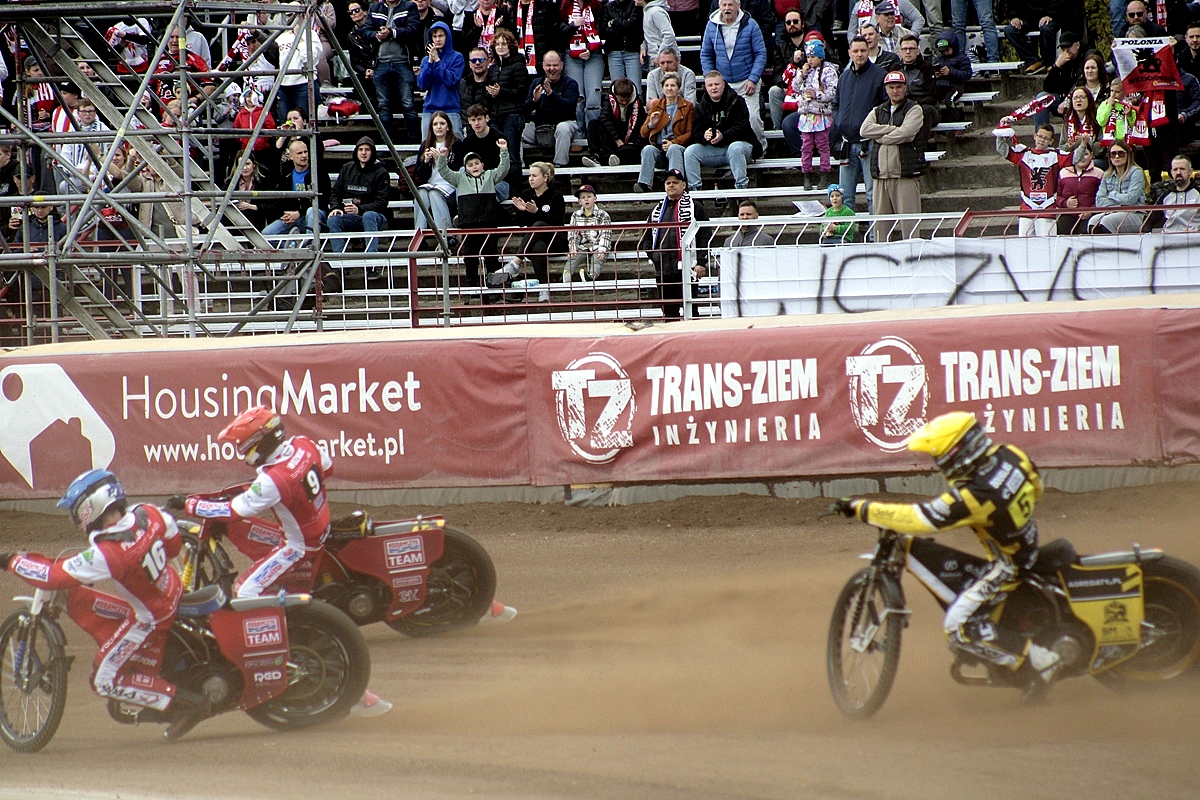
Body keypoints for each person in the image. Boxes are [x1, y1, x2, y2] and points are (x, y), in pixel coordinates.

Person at [830, 411, 1066, 699]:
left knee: (958, 628)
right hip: (1026, 542)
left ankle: (1040, 661)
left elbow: (922, 519)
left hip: (1009, 565)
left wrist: (861, 508)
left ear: (959, 454)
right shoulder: (1011, 455)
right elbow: (1037, 489)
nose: (938, 465)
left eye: (940, 458)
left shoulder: (976, 496)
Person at [181, 408, 392, 718]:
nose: (242, 452)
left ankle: (274, 647)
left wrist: (189, 504)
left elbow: (233, 512)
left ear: (262, 441)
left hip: (298, 546)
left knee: (245, 592)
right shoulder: (304, 444)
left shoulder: (273, 480)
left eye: (245, 445)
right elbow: (327, 468)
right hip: (319, 524)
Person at [0, 469, 213, 740]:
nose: (77, 518)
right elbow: (173, 546)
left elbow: (52, 577)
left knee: (102, 680)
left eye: (77, 511)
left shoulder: (108, 552)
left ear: (91, 507)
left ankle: (185, 703)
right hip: (172, 588)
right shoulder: (148, 512)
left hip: (151, 618)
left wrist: (11, 561)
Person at [859, 70, 925, 240]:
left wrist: (880, 137)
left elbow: (907, 133)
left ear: (905, 88)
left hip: (905, 175)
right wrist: (891, 129)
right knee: (880, 231)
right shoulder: (878, 110)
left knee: (910, 229)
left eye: (898, 87)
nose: (895, 91)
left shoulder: (914, 108)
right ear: (886, 89)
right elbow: (864, 130)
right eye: (891, 87)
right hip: (881, 176)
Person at [437, 144, 511, 288]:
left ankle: (494, 287)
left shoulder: (490, 176)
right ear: (465, 168)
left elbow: (504, 169)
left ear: (482, 165)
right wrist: (442, 157)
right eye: (470, 165)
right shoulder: (459, 178)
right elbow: (444, 171)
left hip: (489, 223)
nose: (474, 166)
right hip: (468, 224)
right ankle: (472, 287)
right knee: (470, 257)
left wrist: (503, 151)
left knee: (491, 256)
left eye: (477, 163)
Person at [700, 0, 768, 151]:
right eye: (724, 5)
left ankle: (760, 150)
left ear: (738, 6)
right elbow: (705, 54)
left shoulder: (751, 25)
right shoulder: (711, 25)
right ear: (719, 6)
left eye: (730, 5)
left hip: (747, 81)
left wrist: (753, 79)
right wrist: (710, 78)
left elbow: (760, 54)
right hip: (724, 84)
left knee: (753, 118)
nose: (727, 8)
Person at [644, 168, 710, 319]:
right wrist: (654, 256)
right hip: (663, 269)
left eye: (675, 182)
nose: (671, 185)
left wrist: (701, 262)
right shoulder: (657, 209)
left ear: (684, 185)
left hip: (688, 267)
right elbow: (647, 236)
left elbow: (704, 235)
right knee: (668, 312)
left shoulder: (696, 207)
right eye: (668, 183)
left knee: (691, 310)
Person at [832, 36, 886, 214]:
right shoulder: (844, 77)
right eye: (855, 51)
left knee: (873, 194)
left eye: (863, 50)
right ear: (849, 53)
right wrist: (839, 122)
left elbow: (885, 107)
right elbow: (835, 105)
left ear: (868, 51)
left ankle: (875, 231)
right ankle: (846, 232)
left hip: (869, 144)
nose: (859, 54)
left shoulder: (879, 75)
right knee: (844, 197)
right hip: (847, 144)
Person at [684, 71, 761, 191]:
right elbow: (695, 132)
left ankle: (741, 189)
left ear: (723, 84)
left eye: (717, 84)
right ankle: (695, 191)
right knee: (690, 151)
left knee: (735, 148)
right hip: (714, 150)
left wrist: (723, 136)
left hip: (740, 147)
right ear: (705, 87)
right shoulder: (700, 106)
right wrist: (704, 136)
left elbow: (742, 127)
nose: (714, 88)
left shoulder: (737, 101)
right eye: (710, 85)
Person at [994, 120, 1073, 237]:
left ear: (1051, 141)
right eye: (1040, 136)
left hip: (1047, 207)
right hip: (1027, 207)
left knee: (1047, 243)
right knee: (1024, 243)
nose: (1042, 140)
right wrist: (1001, 132)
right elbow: (1002, 150)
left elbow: (1075, 159)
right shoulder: (1024, 154)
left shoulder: (1055, 155)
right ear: (1034, 136)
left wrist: (1082, 145)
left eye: (1046, 138)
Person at [781, 38, 838, 192]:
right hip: (806, 115)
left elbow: (833, 93)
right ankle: (806, 174)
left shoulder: (829, 71)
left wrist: (817, 94)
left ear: (820, 56)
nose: (810, 60)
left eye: (813, 56)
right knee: (806, 147)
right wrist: (801, 74)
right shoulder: (806, 71)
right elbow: (794, 87)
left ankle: (824, 173)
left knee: (823, 146)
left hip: (821, 115)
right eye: (808, 57)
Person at [327, 136, 391, 260]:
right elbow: (335, 193)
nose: (363, 153)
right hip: (351, 217)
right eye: (360, 149)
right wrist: (336, 208)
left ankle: (372, 262)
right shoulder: (347, 168)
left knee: (368, 215)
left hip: (376, 217)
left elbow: (382, 202)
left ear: (372, 152)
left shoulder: (381, 173)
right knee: (333, 219)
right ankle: (340, 262)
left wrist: (359, 209)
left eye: (367, 150)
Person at [367, 0, 422, 143]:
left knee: (408, 103)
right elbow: (365, 31)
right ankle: (387, 143)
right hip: (380, 62)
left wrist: (392, 32)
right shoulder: (374, 8)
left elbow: (414, 29)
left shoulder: (410, 6)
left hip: (403, 61)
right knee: (383, 105)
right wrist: (377, 35)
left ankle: (414, 142)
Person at [512, 161, 566, 300]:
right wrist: (522, 211)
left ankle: (516, 261)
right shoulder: (526, 194)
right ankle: (544, 288)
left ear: (545, 178)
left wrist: (537, 211)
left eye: (534, 176)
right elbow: (520, 224)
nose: (531, 179)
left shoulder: (556, 195)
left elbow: (556, 221)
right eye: (529, 175)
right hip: (533, 241)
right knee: (538, 247)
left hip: (555, 239)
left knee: (540, 224)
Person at [262, 139, 330, 245]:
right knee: (266, 234)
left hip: (314, 215)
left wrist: (299, 213)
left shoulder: (318, 172)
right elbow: (274, 158)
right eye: (299, 153)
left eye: (305, 152)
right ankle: (293, 248)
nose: (304, 156)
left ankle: (311, 247)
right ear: (291, 156)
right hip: (293, 216)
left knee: (311, 211)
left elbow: (323, 200)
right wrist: (286, 214)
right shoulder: (285, 172)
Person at [636, 73, 695, 192]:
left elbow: (690, 133)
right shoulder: (656, 105)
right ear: (662, 89)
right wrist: (651, 124)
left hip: (678, 149)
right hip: (659, 149)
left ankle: (676, 184)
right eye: (666, 85)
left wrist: (673, 142)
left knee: (674, 149)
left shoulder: (688, 106)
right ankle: (644, 185)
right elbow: (643, 133)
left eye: (673, 85)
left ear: (679, 88)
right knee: (648, 149)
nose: (669, 88)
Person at [522, 51, 580, 168]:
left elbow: (569, 107)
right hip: (540, 129)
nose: (552, 69)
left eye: (555, 65)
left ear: (562, 65)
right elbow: (525, 110)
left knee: (563, 128)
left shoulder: (570, 83)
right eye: (548, 65)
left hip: (564, 126)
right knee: (516, 128)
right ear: (543, 66)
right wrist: (534, 100)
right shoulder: (536, 82)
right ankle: (518, 166)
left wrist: (551, 94)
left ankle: (560, 166)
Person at [489, 30, 532, 187]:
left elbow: (522, 92)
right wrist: (490, 93)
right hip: (495, 116)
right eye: (497, 44)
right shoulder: (493, 68)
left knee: (512, 156)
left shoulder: (518, 65)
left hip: (512, 116)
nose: (500, 47)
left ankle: (515, 191)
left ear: (511, 46)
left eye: (504, 44)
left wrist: (501, 92)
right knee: (496, 156)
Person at [413, 110, 461, 234]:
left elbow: (457, 169)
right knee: (421, 193)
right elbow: (419, 175)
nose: (439, 127)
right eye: (435, 124)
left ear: (448, 126)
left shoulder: (456, 144)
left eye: (442, 123)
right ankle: (419, 234)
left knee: (434, 194)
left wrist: (441, 159)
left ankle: (446, 234)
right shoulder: (426, 145)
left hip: (449, 185)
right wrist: (426, 161)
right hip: (431, 183)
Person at [1003, 1, 1081, 75]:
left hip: (1051, 16)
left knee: (1046, 29)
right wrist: (1014, 16)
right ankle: (1033, 60)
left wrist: (1051, 15)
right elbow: (1013, 3)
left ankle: (1048, 63)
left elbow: (1058, 3)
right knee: (1009, 31)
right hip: (1027, 17)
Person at [561, 0, 606, 129]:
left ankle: (593, 131)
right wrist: (573, 25)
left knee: (593, 95)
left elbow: (602, 29)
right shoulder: (564, 6)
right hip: (572, 54)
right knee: (577, 95)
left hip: (594, 54)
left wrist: (590, 48)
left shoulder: (596, 6)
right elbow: (560, 32)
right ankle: (578, 132)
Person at [583, 77, 647, 167]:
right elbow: (605, 119)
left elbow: (642, 126)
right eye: (621, 100)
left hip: (630, 140)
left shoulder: (638, 104)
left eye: (627, 100)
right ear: (615, 95)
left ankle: (612, 158)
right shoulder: (609, 100)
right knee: (594, 124)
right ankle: (595, 156)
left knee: (627, 150)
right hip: (614, 137)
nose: (624, 103)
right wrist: (617, 140)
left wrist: (634, 144)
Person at [1088, 140, 1148, 235]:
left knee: (1107, 222)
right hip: (1113, 212)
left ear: (1128, 155)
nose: (1116, 157)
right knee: (1093, 221)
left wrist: (1112, 195)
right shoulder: (1107, 175)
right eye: (1113, 154)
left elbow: (1131, 199)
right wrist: (1120, 206)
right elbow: (1099, 201)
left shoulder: (1136, 172)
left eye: (1120, 153)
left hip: (1135, 213)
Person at [418, 22, 467, 139]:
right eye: (434, 36)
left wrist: (438, 61)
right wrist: (430, 63)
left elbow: (451, 81)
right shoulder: (426, 60)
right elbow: (422, 85)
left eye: (441, 36)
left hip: (450, 108)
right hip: (429, 109)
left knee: (456, 143)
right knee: (427, 144)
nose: (438, 39)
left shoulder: (457, 57)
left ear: (447, 37)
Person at [767, 10, 810, 130]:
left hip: (809, 87)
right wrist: (783, 85)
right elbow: (776, 73)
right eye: (788, 22)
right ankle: (778, 130)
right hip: (789, 88)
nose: (792, 25)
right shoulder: (781, 47)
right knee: (774, 91)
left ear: (802, 24)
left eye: (795, 21)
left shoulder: (812, 42)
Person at [566, 183, 612, 281]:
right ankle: (566, 275)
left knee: (597, 259)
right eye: (583, 198)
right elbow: (573, 234)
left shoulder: (603, 215)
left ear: (595, 199)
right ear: (579, 202)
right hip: (583, 246)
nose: (586, 199)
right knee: (573, 258)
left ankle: (591, 276)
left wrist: (602, 249)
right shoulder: (576, 215)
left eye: (589, 197)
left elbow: (605, 234)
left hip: (598, 245)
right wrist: (573, 248)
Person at [1054, 145, 1103, 234]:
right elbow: (1056, 196)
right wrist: (1065, 203)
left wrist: (1091, 211)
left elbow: (1103, 197)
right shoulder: (1063, 173)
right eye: (1078, 154)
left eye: (1086, 154)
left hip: (1091, 216)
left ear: (1091, 155)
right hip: (1068, 215)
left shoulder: (1099, 173)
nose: (1082, 157)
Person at [602, 0, 645, 86]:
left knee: (635, 87)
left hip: (633, 51)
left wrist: (614, 23)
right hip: (613, 51)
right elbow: (603, 30)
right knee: (617, 87)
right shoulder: (608, 7)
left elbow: (633, 27)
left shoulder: (636, 6)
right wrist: (624, 26)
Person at [346, 2, 380, 108]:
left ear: (365, 12)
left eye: (356, 10)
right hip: (365, 72)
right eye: (350, 12)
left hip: (381, 67)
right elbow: (354, 61)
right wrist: (365, 70)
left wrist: (375, 69)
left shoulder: (378, 29)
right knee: (359, 83)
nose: (354, 14)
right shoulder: (351, 36)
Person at [1161, 154, 1200, 233]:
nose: (1178, 172)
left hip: (1193, 237)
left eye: (1182, 169)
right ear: (1171, 172)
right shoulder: (1165, 194)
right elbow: (1151, 219)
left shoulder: (1198, 192)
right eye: (1175, 169)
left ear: (1190, 171)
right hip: (1168, 236)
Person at [931, 30, 970, 105]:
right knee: (931, 99)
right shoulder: (938, 59)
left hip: (955, 87)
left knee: (949, 101)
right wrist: (935, 75)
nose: (945, 53)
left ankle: (954, 113)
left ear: (953, 46)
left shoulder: (962, 58)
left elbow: (967, 74)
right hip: (940, 86)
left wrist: (950, 72)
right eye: (942, 51)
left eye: (947, 50)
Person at [895, 34, 936, 107]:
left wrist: (914, 104)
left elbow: (932, 96)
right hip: (902, 105)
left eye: (911, 49)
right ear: (900, 52)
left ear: (918, 51)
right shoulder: (895, 68)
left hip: (923, 105)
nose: (908, 52)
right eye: (904, 49)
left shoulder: (926, 67)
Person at [459, 46, 496, 120]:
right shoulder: (462, 84)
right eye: (473, 60)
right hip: (466, 124)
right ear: (469, 64)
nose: (477, 63)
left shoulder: (494, 83)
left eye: (481, 60)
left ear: (489, 61)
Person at [640, 0, 678, 65]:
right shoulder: (647, 11)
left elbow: (669, 35)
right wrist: (643, 47)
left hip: (664, 60)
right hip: (653, 58)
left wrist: (659, 55)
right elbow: (649, 33)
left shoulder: (656, 12)